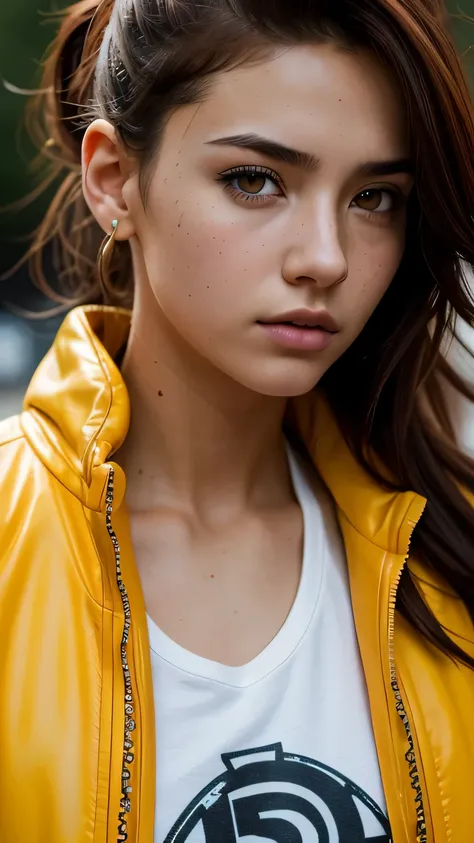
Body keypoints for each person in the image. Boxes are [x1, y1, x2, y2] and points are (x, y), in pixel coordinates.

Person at [1, 0, 473, 840]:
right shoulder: (13, 549)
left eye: (374, 197)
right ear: (113, 180)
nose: (325, 257)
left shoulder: (448, 554)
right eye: (256, 180)